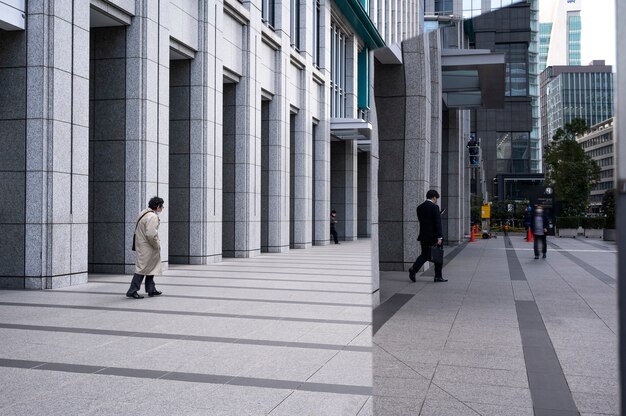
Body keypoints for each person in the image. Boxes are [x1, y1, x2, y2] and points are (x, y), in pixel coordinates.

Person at [126, 196, 164, 299]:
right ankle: (132, 290)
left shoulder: (143, 213)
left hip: (142, 244)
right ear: (157, 206)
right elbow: (151, 234)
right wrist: (156, 245)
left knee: (150, 267)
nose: (162, 208)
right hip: (148, 246)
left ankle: (151, 289)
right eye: (161, 206)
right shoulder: (153, 217)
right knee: (142, 268)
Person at [408, 189, 446, 283]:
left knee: (424, 255)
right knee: (438, 256)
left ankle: (413, 269)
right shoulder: (434, 207)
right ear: (433, 197)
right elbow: (437, 223)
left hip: (424, 236)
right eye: (436, 198)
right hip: (434, 237)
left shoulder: (419, 207)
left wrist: (437, 214)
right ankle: (438, 276)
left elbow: (426, 221)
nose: (436, 200)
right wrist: (440, 237)